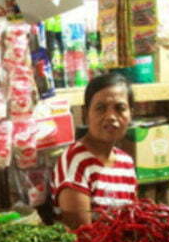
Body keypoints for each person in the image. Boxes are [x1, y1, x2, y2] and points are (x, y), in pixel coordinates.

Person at [51, 73, 138, 228]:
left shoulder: (126, 162)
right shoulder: (75, 161)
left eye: (120, 108)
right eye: (100, 108)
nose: (111, 116)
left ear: (131, 113)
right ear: (86, 114)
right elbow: (82, 236)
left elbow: (134, 221)